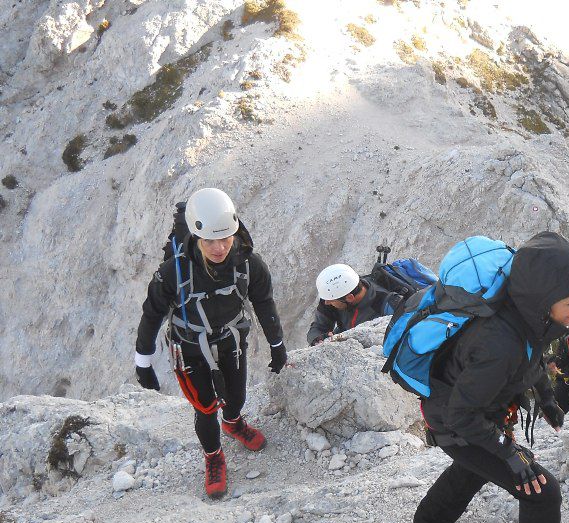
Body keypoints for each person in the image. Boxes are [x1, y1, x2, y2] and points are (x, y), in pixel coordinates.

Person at [411, 232, 569, 523]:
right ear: (545, 300)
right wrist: (509, 453)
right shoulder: (499, 343)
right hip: (455, 419)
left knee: (471, 469)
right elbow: (463, 416)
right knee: (542, 491)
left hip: (476, 411)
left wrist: (547, 400)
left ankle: (430, 522)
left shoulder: (528, 318)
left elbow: (533, 360)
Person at [134, 188, 287, 498]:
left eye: (226, 239)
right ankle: (213, 456)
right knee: (204, 408)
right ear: (195, 236)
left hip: (231, 339)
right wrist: (143, 362)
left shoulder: (248, 264)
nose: (219, 248)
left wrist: (277, 345)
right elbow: (152, 314)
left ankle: (232, 422)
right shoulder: (172, 273)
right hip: (188, 345)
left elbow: (264, 302)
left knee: (237, 396)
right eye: (209, 241)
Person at [307, 264, 404, 345]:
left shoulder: (388, 304)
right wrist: (317, 338)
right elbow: (319, 326)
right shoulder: (335, 296)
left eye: (331, 300)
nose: (326, 303)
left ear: (350, 298)